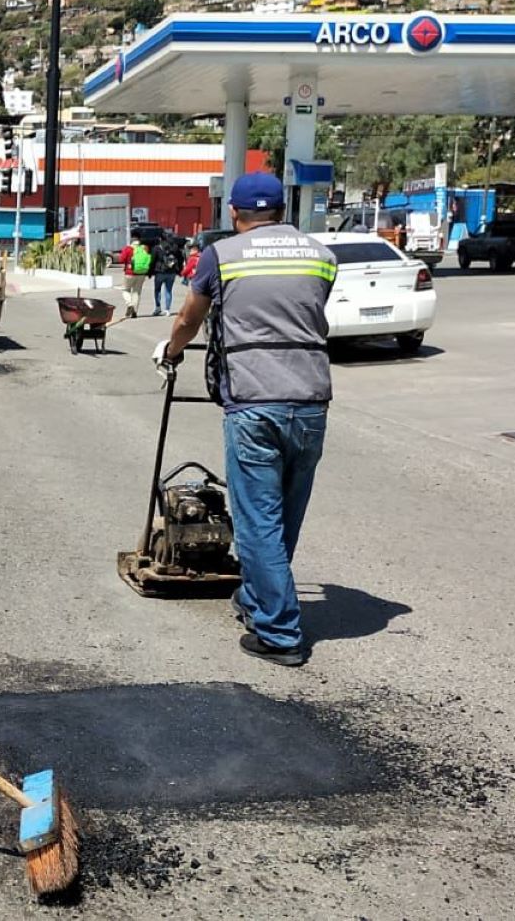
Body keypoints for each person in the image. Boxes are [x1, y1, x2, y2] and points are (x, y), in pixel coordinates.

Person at [155, 172, 337, 668]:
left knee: (259, 523)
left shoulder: (222, 256)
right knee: (284, 518)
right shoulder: (321, 255)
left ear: (233, 214)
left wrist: (171, 352)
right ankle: (259, 600)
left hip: (255, 402)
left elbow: (190, 318)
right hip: (312, 401)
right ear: (283, 210)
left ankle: (279, 633)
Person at [151, 231, 183, 317]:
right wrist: (179, 270)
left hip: (160, 272)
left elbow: (152, 261)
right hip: (171, 272)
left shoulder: (157, 248)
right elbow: (181, 259)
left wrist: (150, 272)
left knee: (157, 290)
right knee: (168, 290)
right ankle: (167, 310)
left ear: (161, 239)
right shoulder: (175, 248)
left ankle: (158, 308)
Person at [121, 238, 153, 318]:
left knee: (125, 289)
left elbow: (121, 259)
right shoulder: (144, 248)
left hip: (129, 273)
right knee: (137, 292)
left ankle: (130, 304)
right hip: (142, 273)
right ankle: (134, 312)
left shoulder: (128, 249)